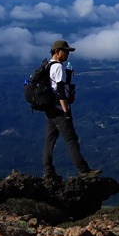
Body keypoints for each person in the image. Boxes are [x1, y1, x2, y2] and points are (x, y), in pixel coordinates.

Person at [42, 40, 101, 182]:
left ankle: (48, 171)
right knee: (72, 140)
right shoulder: (58, 68)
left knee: (49, 141)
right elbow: (61, 91)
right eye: (65, 51)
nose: (68, 54)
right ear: (57, 52)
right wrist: (66, 111)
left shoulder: (47, 66)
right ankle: (84, 171)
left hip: (50, 110)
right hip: (59, 110)